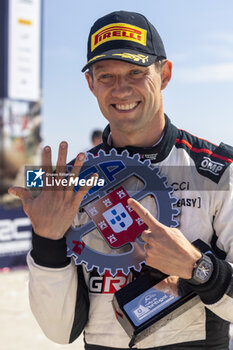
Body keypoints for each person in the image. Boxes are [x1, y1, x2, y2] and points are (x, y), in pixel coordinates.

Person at [8, 10, 233, 350]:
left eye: (136, 72)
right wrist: (47, 242)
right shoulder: (67, 184)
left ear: (165, 73)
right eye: (106, 76)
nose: (121, 88)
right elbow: (59, 331)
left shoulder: (218, 171)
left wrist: (197, 268)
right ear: (90, 84)